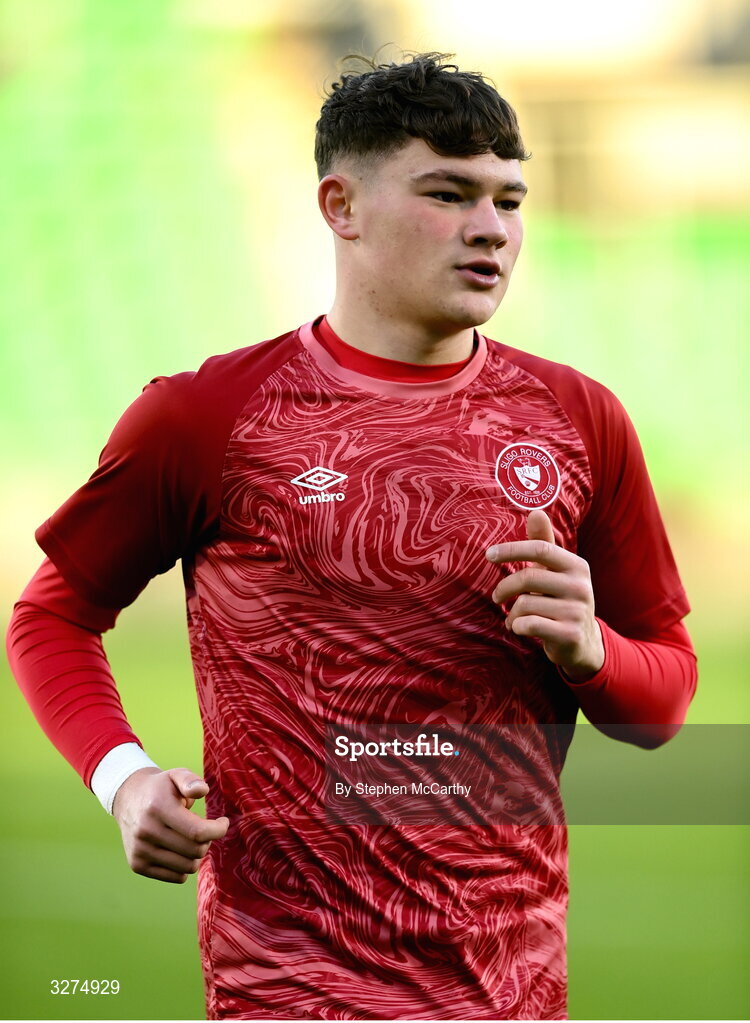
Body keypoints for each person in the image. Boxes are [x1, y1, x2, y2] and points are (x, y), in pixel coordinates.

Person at [6, 51, 697, 1021]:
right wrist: (121, 780)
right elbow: (54, 613)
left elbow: (662, 698)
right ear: (341, 205)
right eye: (450, 193)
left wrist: (592, 654)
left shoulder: (579, 421)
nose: (491, 229)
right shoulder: (208, 418)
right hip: (284, 989)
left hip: (512, 993)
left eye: (510, 199)